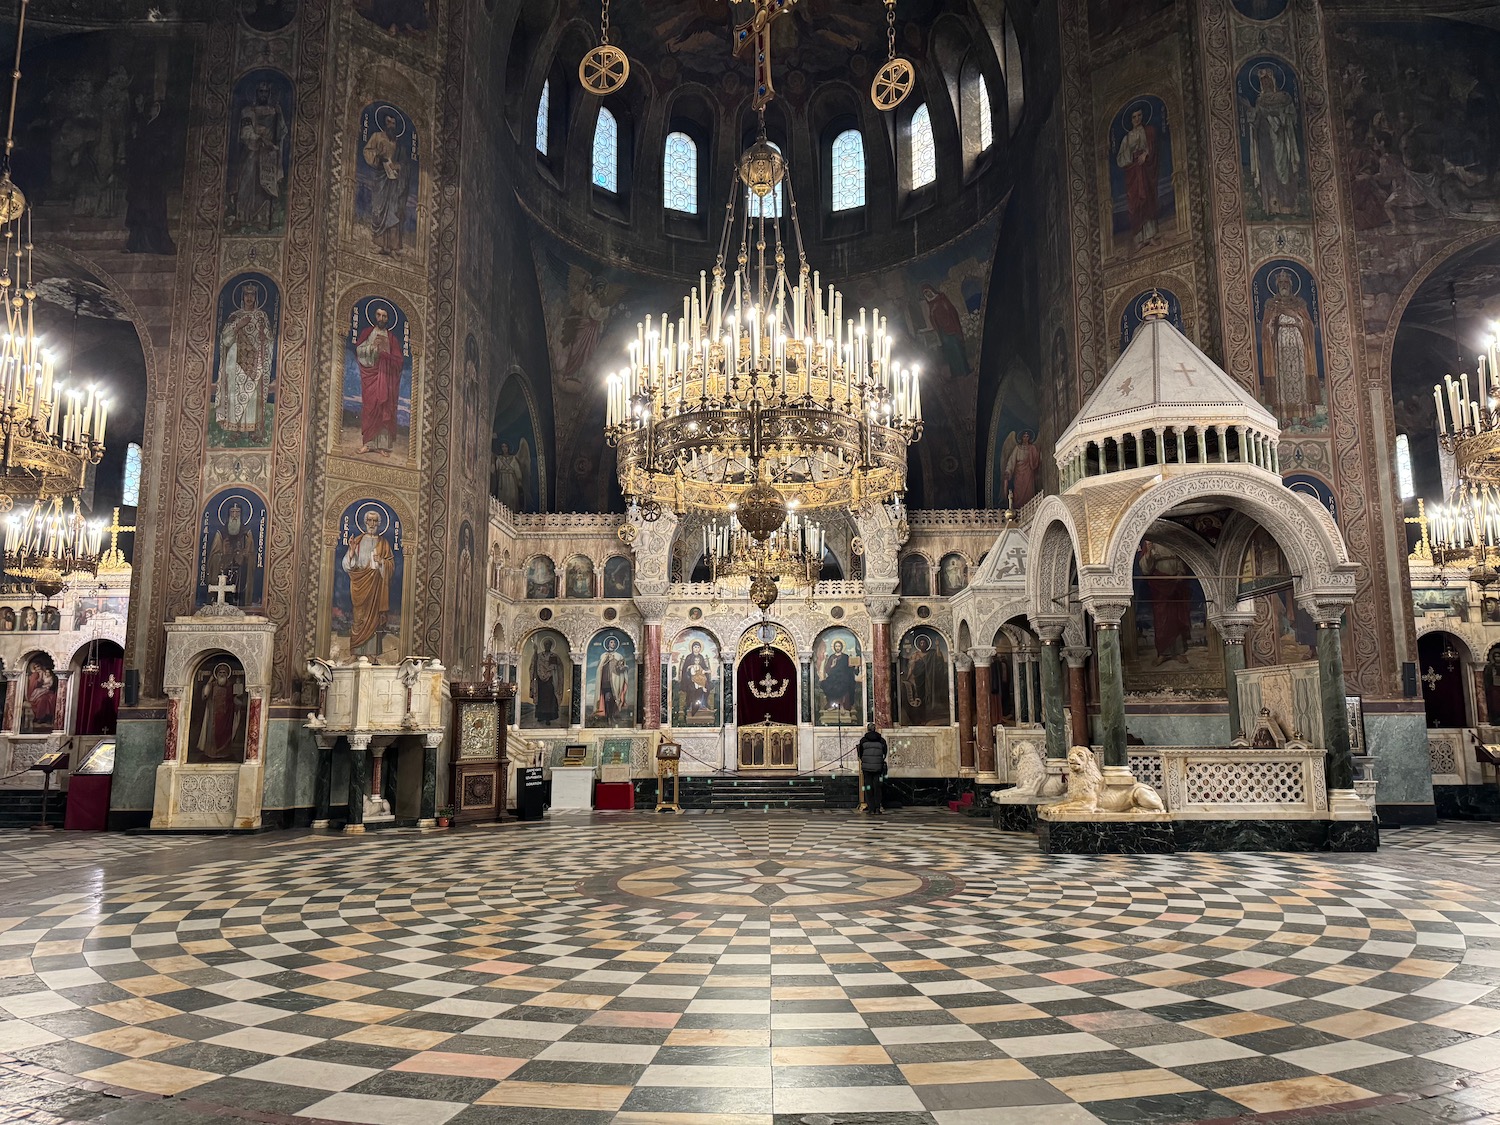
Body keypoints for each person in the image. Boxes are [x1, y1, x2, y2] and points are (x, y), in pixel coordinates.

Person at [216, 283, 275, 443]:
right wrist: (238, 326)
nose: (249, 298)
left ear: (256, 298)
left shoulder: (261, 316)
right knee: (235, 394)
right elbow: (226, 339)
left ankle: (252, 431)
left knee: (252, 396)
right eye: (247, 295)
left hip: (255, 361)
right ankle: (234, 431)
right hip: (236, 362)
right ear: (242, 297)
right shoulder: (235, 316)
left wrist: (265, 337)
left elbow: (269, 339)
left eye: (252, 295)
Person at [231, 82, 286, 230]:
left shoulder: (274, 111)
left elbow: (281, 132)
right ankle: (244, 218)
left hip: (268, 156)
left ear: (269, 94)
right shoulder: (248, 111)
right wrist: (260, 140)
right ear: (256, 93)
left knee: (265, 186)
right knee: (248, 183)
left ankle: (263, 219)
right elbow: (246, 132)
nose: (263, 94)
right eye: (261, 91)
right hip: (252, 153)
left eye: (266, 92)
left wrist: (279, 115)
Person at [341, 508, 395, 659]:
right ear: (365, 522)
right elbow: (347, 565)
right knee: (358, 618)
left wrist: (382, 562)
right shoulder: (357, 541)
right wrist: (351, 552)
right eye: (369, 520)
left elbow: (391, 567)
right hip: (360, 584)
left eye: (375, 521)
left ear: (379, 523)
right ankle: (355, 653)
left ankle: (371, 654)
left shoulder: (384, 543)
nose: (372, 523)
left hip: (376, 586)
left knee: (373, 620)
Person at [354, 302, 404, 455]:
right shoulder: (368, 332)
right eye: (379, 315)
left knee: (384, 409)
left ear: (388, 318)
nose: (381, 318)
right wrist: (372, 348)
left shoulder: (392, 338)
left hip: (386, 377)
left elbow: (399, 360)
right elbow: (359, 350)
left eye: (384, 316)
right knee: (370, 407)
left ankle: (383, 446)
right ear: (374, 316)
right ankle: (368, 444)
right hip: (371, 375)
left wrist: (386, 355)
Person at [362, 110, 412, 254]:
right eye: (388, 122)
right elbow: (367, 151)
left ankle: (393, 247)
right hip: (381, 178)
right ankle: (381, 245)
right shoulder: (377, 136)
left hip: (395, 182)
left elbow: (405, 164)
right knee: (379, 209)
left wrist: (398, 166)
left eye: (393, 123)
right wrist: (378, 156)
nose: (391, 125)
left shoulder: (398, 144)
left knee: (394, 211)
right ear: (384, 123)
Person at [1115, 105, 1161, 251]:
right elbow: (1120, 158)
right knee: (1136, 203)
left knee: (1148, 198)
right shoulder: (1127, 138)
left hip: (1146, 169)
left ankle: (1151, 236)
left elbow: (1154, 147)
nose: (1137, 119)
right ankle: (1139, 239)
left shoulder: (1149, 131)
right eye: (1134, 117)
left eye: (1139, 115)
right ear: (1130, 119)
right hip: (1134, 172)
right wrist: (1131, 156)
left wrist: (1146, 154)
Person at [529, 636, 563, 725]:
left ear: (551, 646)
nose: (547, 646)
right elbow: (534, 665)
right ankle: (540, 716)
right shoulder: (539, 656)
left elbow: (558, 668)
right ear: (544, 645)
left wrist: (552, 670)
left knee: (550, 700)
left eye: (548, 644)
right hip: (540, 682)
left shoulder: (554, 656)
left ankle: (548, 718)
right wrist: (535, 653)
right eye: (545, 644)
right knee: (541, 699)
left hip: (550, 681)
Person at [858, 723, 889, 815]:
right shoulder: (881, 740)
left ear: (867, 729)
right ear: (875, 729)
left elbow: (860, 753)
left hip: (867, 768)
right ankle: (877, 808)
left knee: (868, 787)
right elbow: (885, 753)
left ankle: (871, 808)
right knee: (877, 787)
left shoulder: (863, 740)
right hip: (878, 768)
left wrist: (864, 761)